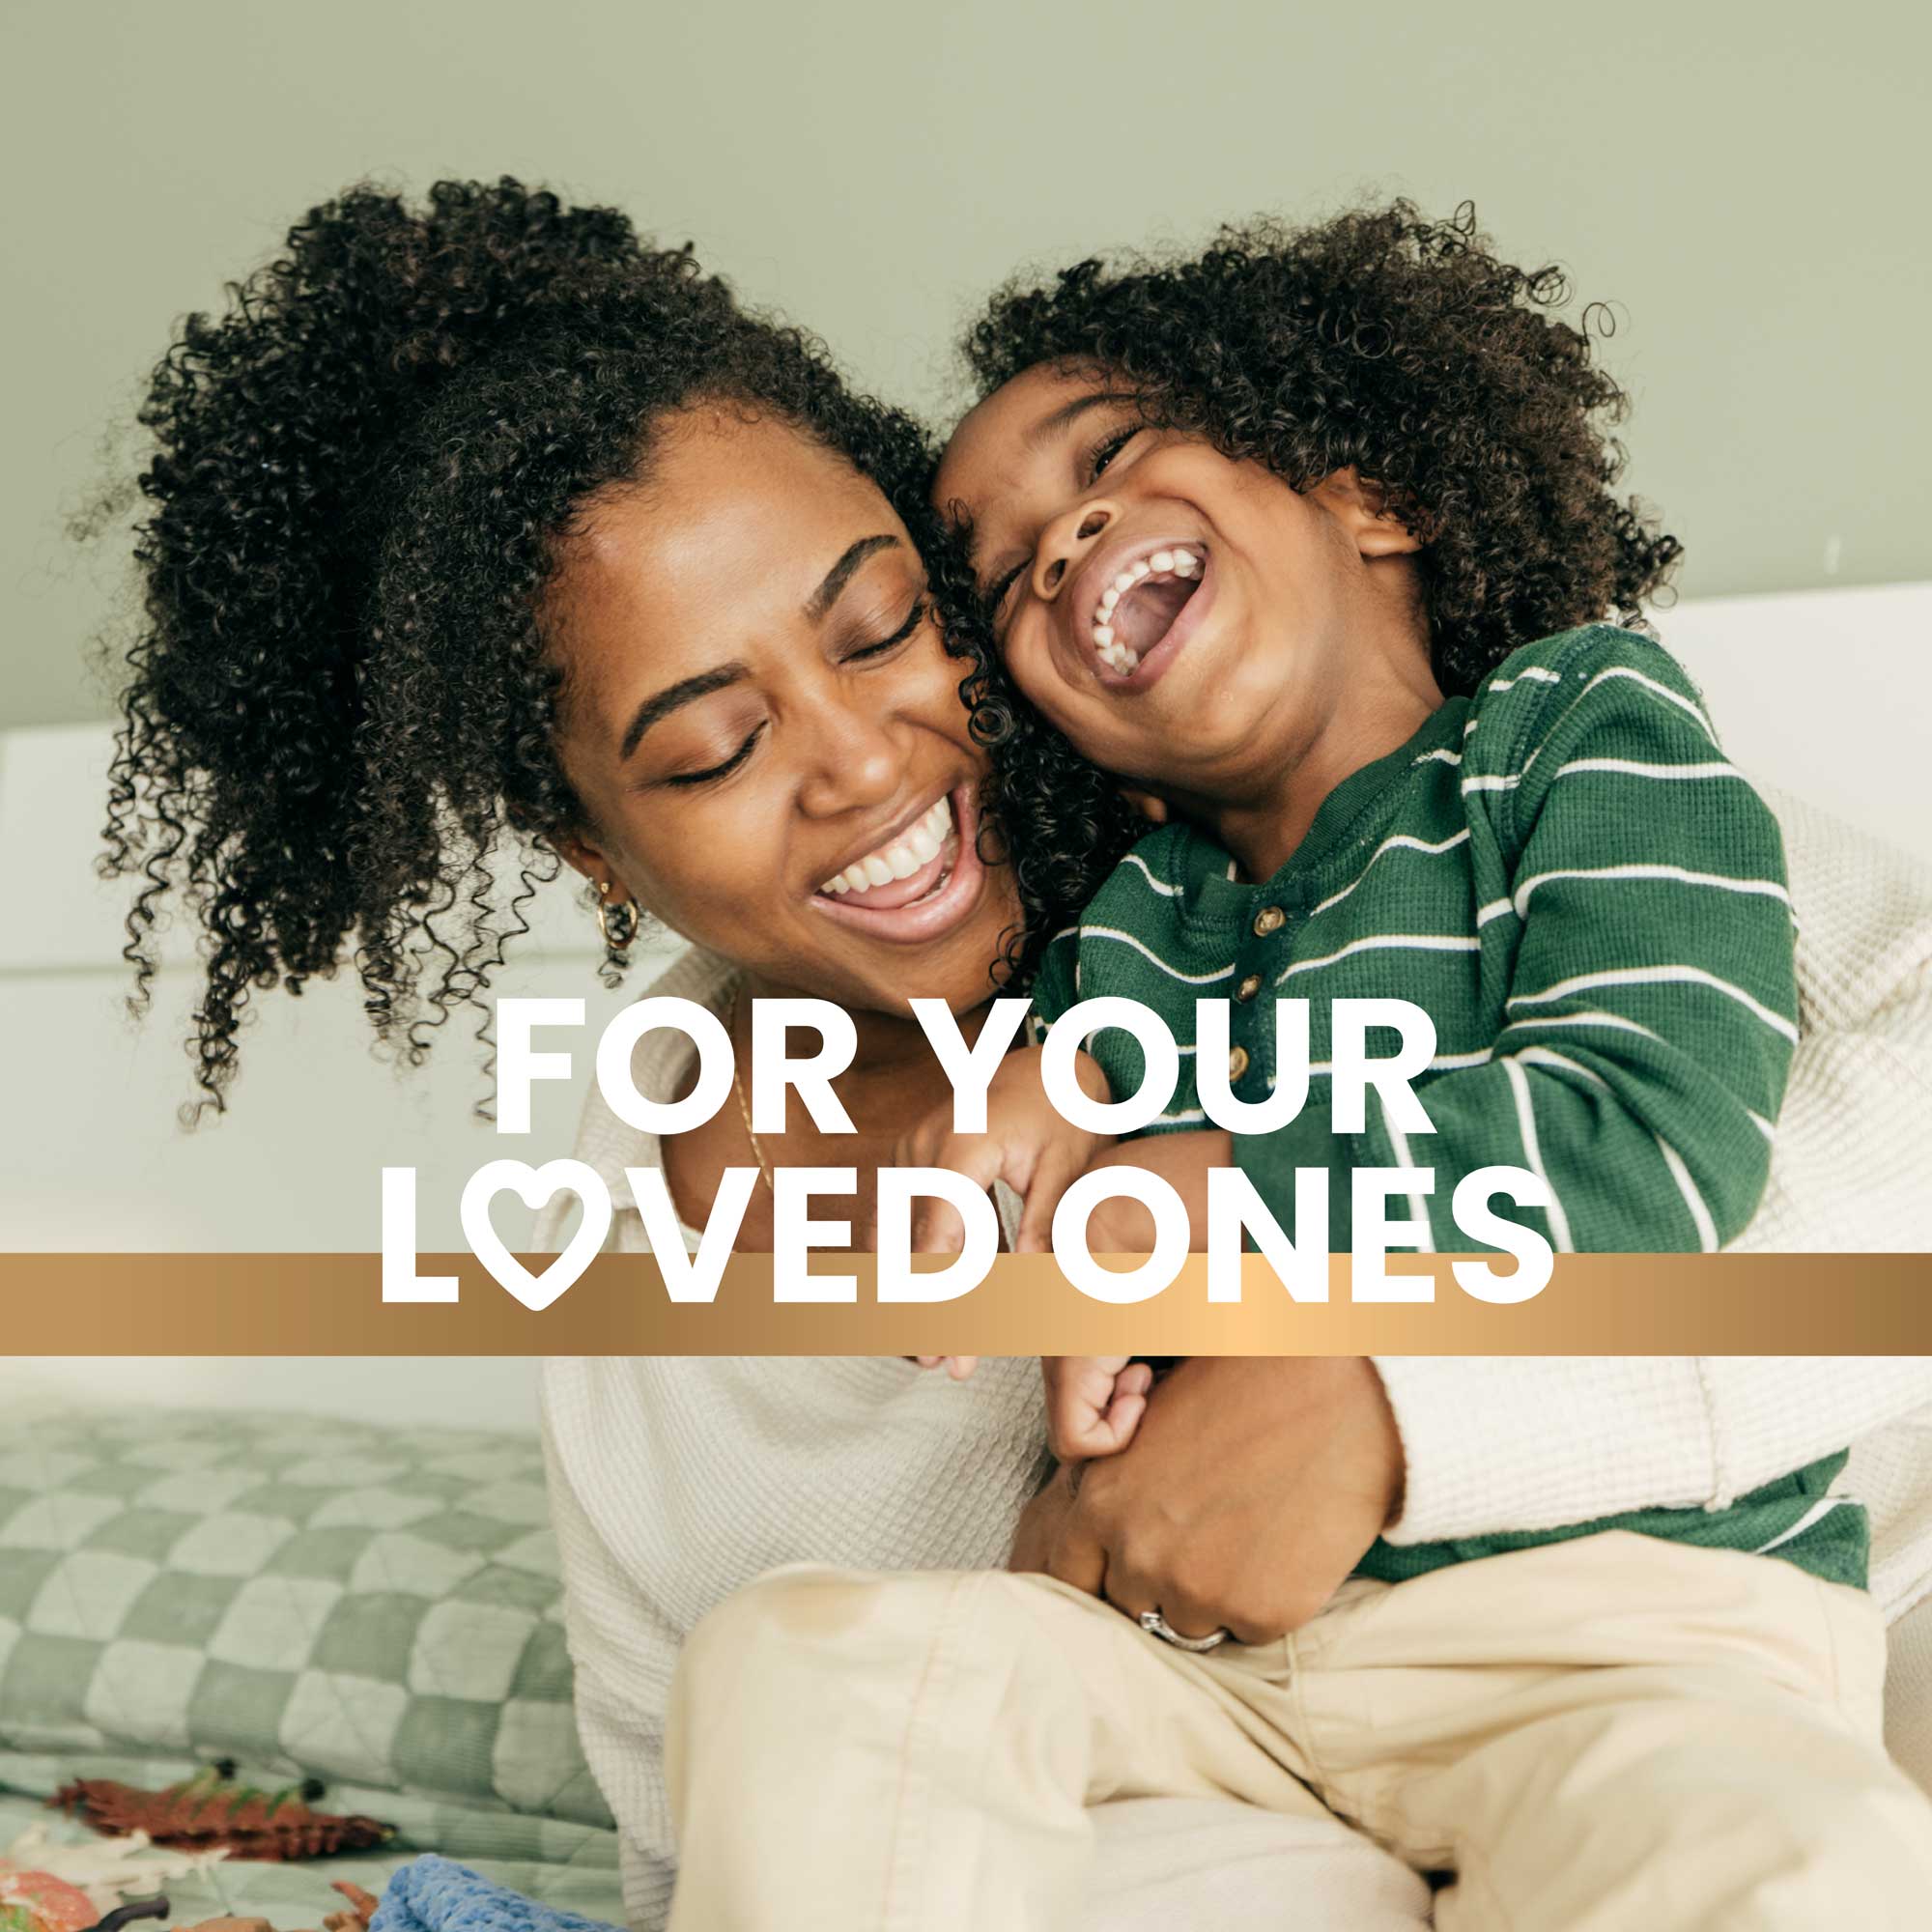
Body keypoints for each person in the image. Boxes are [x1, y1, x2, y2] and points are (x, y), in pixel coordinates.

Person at [654, 207, 1932, 1929]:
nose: (1058, 544)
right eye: (1004, 571)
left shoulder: (1581, 732)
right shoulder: (1150, 912)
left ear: (1367, 497)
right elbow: (1067, 1195)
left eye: (1109, 454)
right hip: (1221, 1670)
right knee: (800, 1658)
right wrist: (1034, 1135)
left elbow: (1650, 1147)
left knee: (1802, 1864)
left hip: (1632, 1640)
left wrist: (1215, 1196)